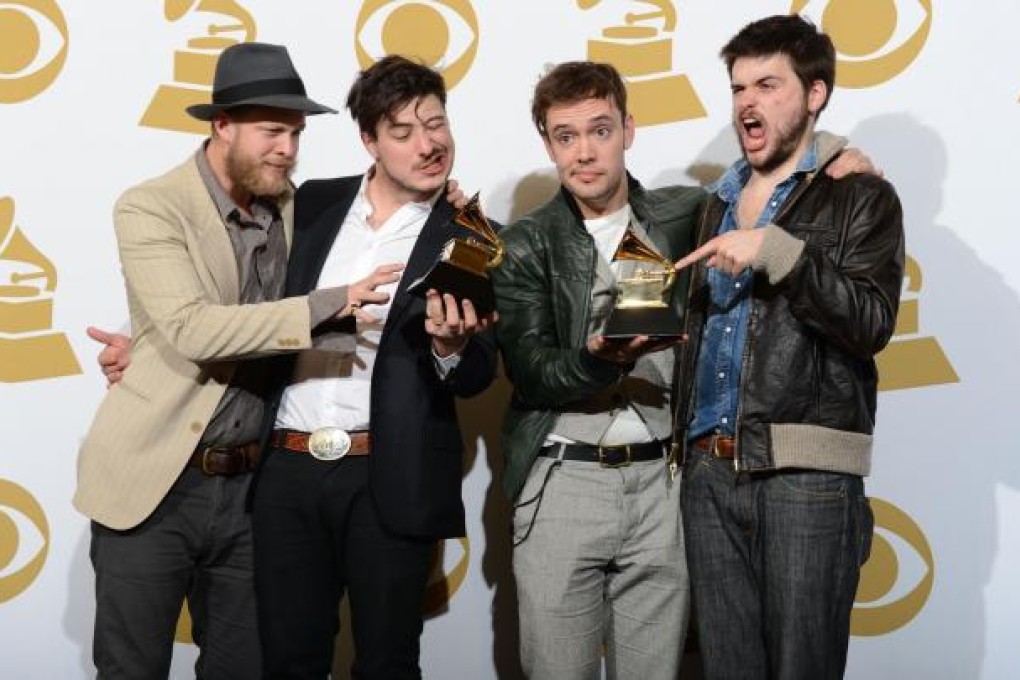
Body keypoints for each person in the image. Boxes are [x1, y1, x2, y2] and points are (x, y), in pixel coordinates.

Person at [74, 42, 345, 679]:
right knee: (131, 669)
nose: (287, 148)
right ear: (221, 125)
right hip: (154, 486)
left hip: (256, 489)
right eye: (272, 131)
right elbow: (192, 327)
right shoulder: (150, 205)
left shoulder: (295, 209)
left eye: (296, 134)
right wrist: (324, 305)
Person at [250, 54, 497, 679]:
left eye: (436, 123)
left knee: (388, 663)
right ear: (369, 141)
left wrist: (450, 346)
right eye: (403, 131)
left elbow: (480, 374)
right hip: (287, 470)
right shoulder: (311, 204)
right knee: (287, 661)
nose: (428, 144)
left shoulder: (471, 233)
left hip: (388, 479)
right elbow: (242, 294)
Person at [673, 15, 905, 679]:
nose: (748, 100)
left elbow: (870, 321)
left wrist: (778, 251)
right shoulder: (707, 206)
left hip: (805, 479)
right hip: (708, 475)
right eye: (740, 86)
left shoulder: (859, 196)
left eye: (768, 84)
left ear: (815, 94)